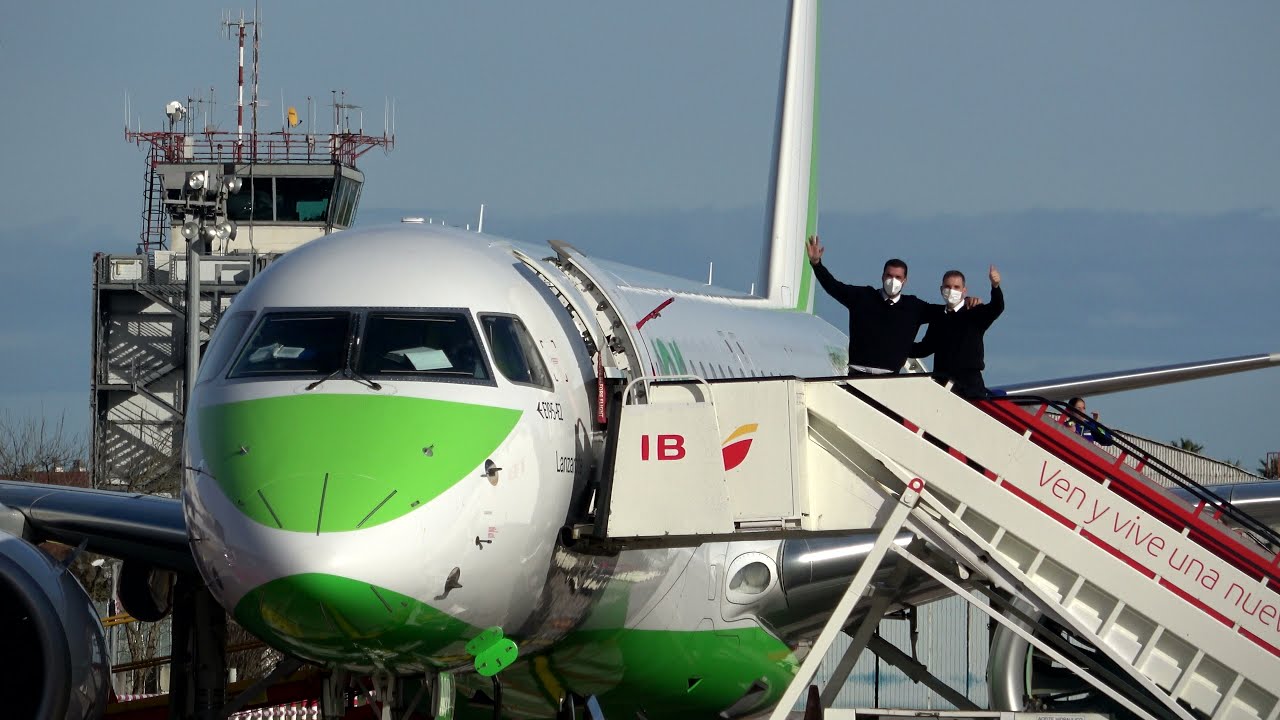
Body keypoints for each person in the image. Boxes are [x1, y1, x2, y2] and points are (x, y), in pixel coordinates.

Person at [807, 235, 945, 375]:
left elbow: (946, 312)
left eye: (898, 277)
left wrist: (967, 303)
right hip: (857, 374)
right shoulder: (862, 297)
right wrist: (816, 264)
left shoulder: (914, 306)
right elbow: (833, 287)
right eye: (889, 276)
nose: (893, 281)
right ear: (882, 276)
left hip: (890, 378)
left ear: (905, 280)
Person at [910, 266, 1004, 398]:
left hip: (970, 385)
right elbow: (925, 348)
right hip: (943, 383)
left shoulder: (975, 312)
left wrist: (995, 286)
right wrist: (895, 344)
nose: (951, 291)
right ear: (941, 289)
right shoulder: (938, 318)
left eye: (956, 287)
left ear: (964, 290)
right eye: (947, 287)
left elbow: (997, 307)